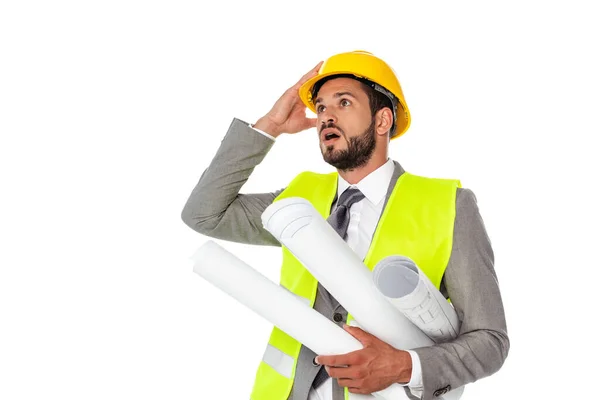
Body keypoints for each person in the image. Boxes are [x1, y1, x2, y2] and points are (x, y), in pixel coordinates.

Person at [181, 50, 509, 400]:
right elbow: (204, 213)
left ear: (383, 121)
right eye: (321, 107)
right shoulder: (297, 202)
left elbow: (489, 341)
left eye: (344, 103)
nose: (326, 117)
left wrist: (404, 365)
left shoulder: (449, 205)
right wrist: (270, 126)